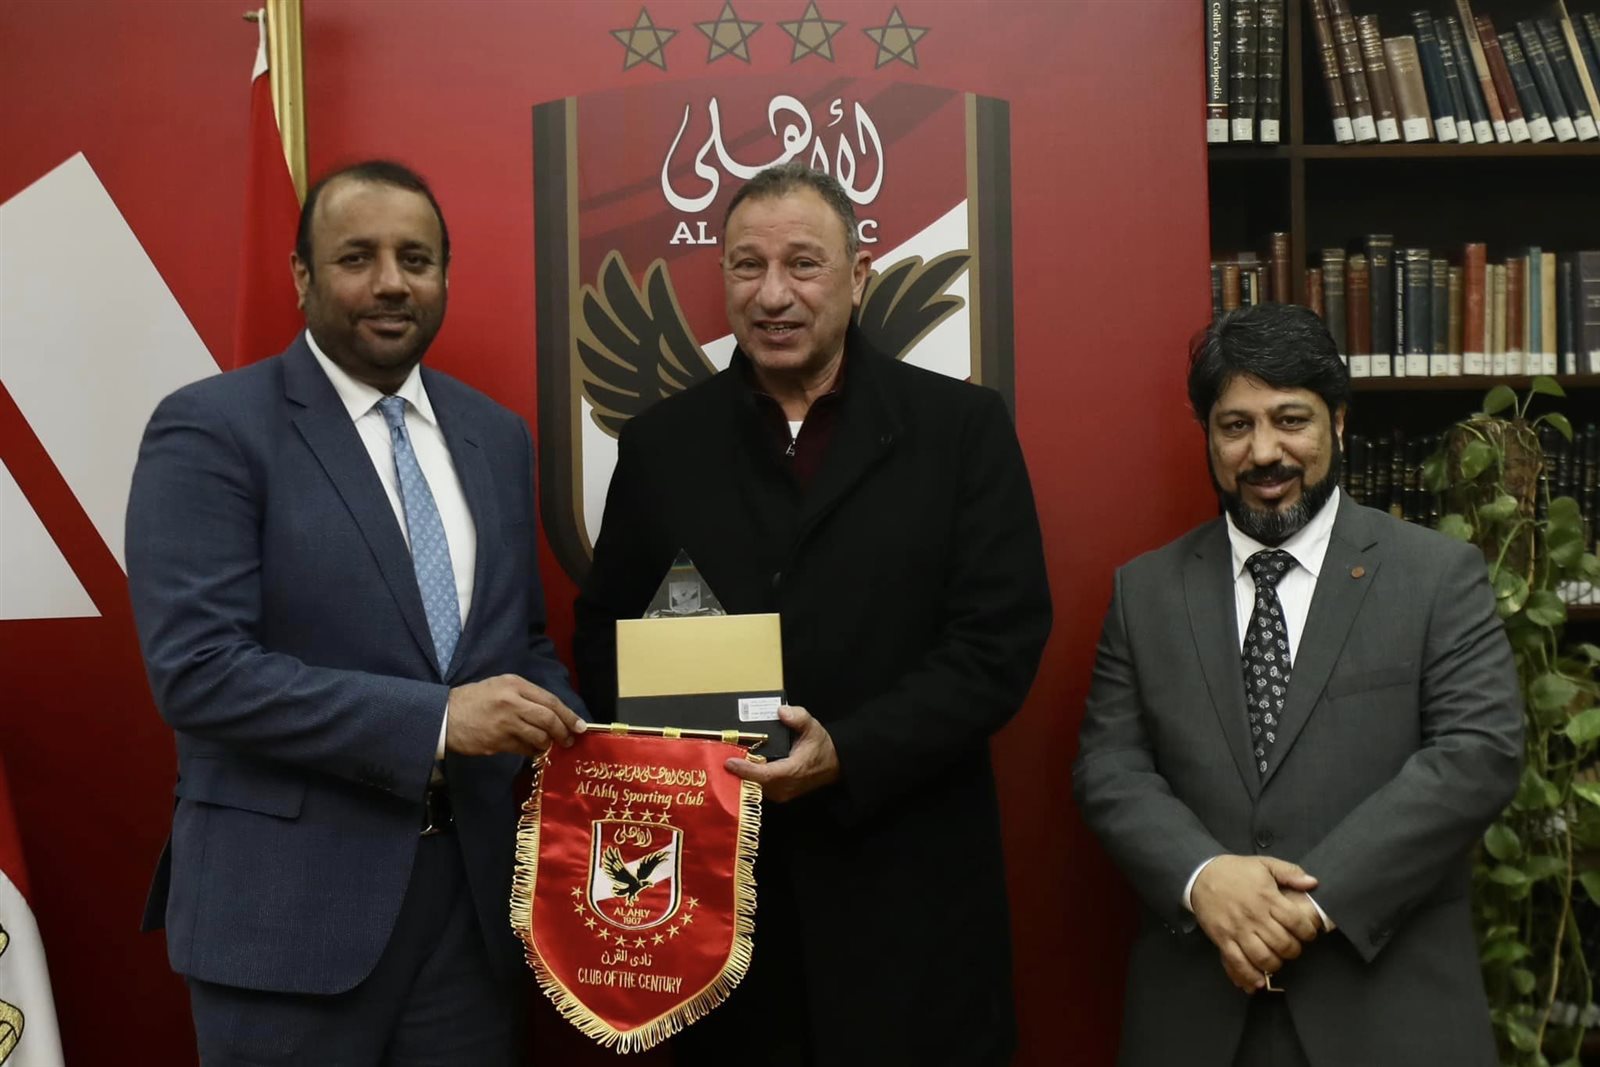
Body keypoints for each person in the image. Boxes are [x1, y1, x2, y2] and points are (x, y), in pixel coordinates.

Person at [572, 162, 1051, 1065]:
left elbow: (999, 642)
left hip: (907, 891)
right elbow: (603, 634)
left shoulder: (960, 429)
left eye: (803, 263)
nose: (773, 294)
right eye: (747, 266)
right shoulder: (662, 444)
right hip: (720, 897)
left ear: (858, 275)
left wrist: (851, 751)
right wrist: (679, 747)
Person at [126, 160, 585, 1065]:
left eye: (415, 258)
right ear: (302, 276)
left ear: (445, 276)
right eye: (356, 257)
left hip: (469, 922)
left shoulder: (496, 436)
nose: (390, 282)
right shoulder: (211, 428)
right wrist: (441, 721)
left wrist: (604, 749)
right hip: (286, 925)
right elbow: (199, 671)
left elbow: (519, 641)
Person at [1073, 302, 1523, 1067]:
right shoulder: (1144, 593)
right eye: (1236, 425)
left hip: (1389, 1019)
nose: (1264, 452)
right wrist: (1203, 877)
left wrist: (1310, 904)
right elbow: (1109, 767)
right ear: (1208, 435)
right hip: (1200, 1017)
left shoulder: (1436, 576)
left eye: (1291, 420)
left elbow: (1477, 754)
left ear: (1338, 424)